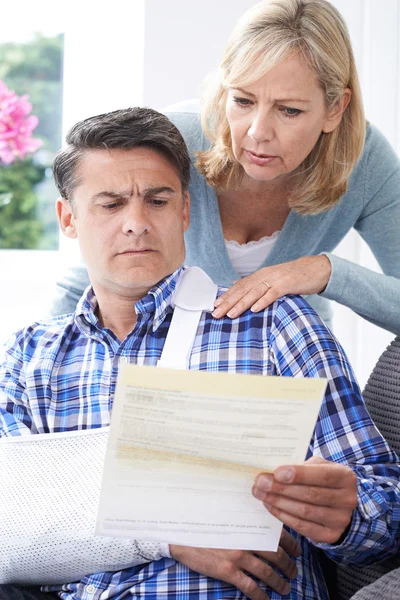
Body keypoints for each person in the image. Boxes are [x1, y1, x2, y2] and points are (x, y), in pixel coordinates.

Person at [1, 107, 399, 600]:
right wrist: (165, 536)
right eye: (110, 204)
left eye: (158, 200)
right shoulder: (30, 356)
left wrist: (346, 517)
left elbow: (386, 515)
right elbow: (9, 527)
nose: (137, 224)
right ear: (68, 219)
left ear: (185, 211)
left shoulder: (275, 325)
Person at [50, 0, 400, 334]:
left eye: (289, 110)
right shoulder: (174, 140)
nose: (258, 132)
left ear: (335, 108)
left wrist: (324, 271)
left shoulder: (364, 162)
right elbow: (93, 270)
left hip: (290, 358)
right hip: (167, 361)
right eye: (243, 101)